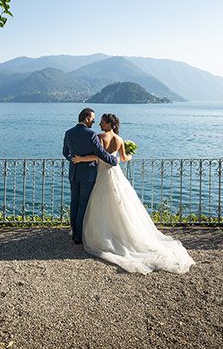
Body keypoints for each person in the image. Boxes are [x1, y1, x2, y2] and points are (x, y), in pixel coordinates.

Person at [71, 113, 195, 274]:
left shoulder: (100, 137)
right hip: (115, 172)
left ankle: (99, 233)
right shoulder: (119, 139)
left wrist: (81, 159)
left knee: (99, 203)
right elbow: (123, 158)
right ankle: (118, 233)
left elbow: (98, 155)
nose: (99, 124)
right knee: (120, 204)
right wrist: (129, 155)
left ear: (109, 124)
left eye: (102, 122)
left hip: (102, 173)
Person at [62, 108, 119, 244]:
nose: (94, 122)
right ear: (87, 118)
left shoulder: (68, 132)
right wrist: (113, 160)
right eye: (92, 119)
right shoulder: (91, 134)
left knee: (74, 202)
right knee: (83, 204)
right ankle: (79, 236)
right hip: (88, 174)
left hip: (74, 173)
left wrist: (73, 159)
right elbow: (100, 153)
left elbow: (65, 153)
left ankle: (74, 232)